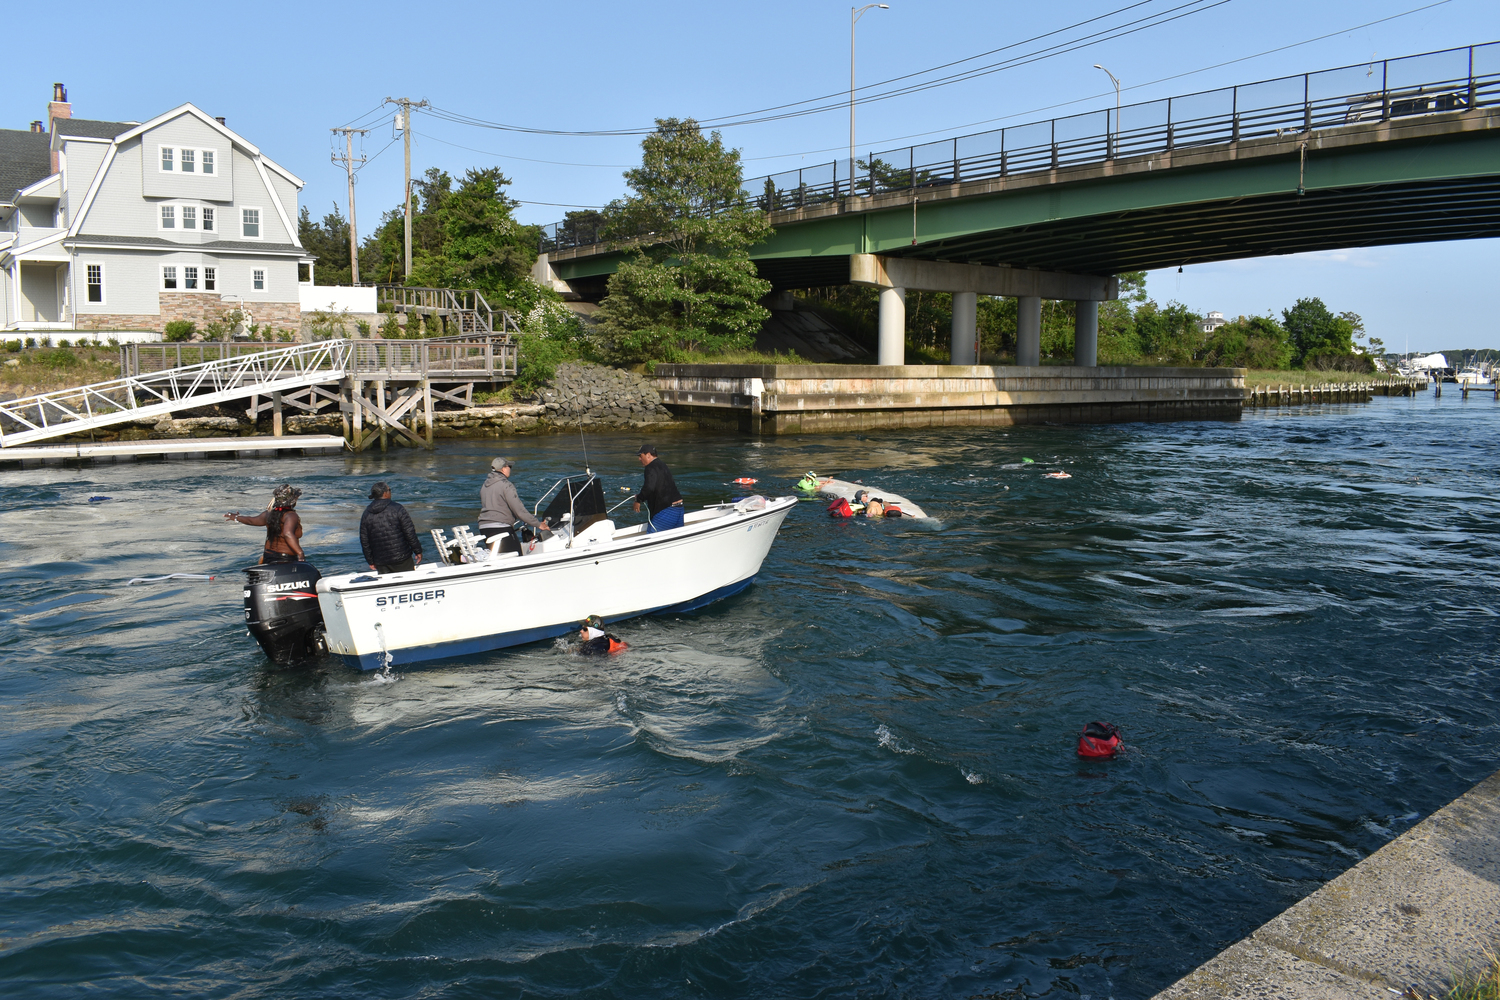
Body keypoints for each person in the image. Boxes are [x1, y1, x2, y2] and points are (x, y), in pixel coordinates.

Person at [225, 484, 305, 564]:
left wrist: (236, 517)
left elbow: (251, 521)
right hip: (285, 559)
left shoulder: (268, 514)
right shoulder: (291, 515)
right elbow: (287, 533)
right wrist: (300, 553)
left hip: (268, 556)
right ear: (292, 501)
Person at [477, 457, 548, 542]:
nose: (510, 469)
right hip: (500, 528)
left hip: (484, 528)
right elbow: (519, 511)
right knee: (518, 554)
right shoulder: (506, 485)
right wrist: (538, 524)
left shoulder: (485, 485)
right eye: (509, 467)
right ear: (503, 469)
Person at [359, 481, 423, 574]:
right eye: (390, 490)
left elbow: (364, 540)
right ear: (385, 493)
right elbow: (409, 532)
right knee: (406, 584)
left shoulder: (366, 513)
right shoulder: (397, 508)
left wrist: (370, 560)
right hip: (401, 557)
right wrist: (417, 550)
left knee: (388, 586)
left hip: (381, 560)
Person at [633, 443, 684, 533]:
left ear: (648, 455)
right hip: (679, 509)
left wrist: (638, 500)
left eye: (641, 456)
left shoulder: (650, 467)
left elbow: (649, 487)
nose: (639, 459)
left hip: (667, 511)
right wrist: (642, 495)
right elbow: (658, 487)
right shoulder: (662, 464)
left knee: (650, 541)